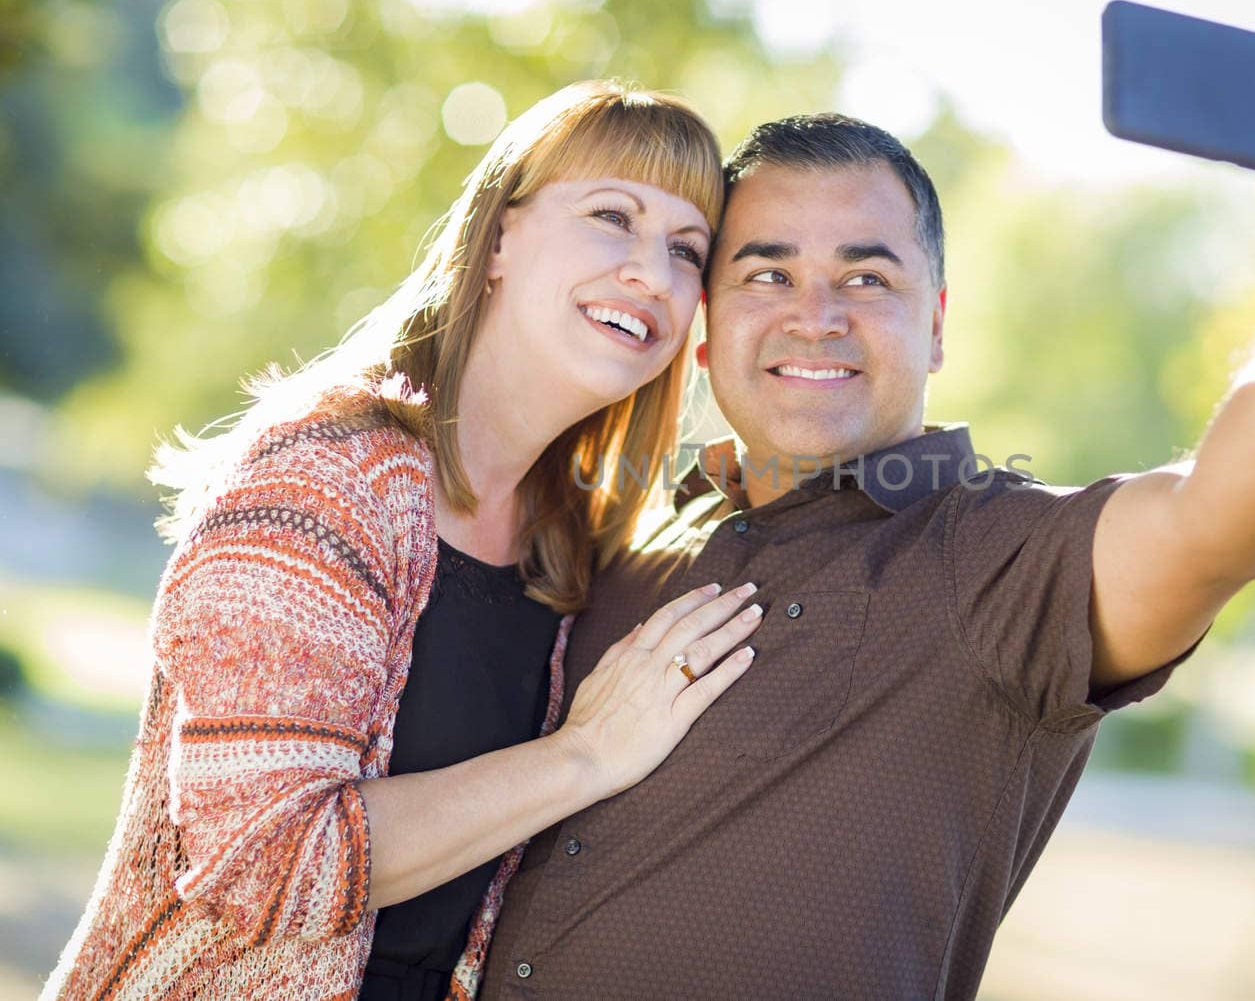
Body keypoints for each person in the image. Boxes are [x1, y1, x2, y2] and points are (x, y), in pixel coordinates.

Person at [480, 28, 1255, 998]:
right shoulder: (620, 535)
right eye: (766, 273)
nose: (816, 313)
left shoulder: (995, 561)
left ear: (934, 323)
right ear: (707, 328)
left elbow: (1209, 527)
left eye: (866, 277)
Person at [45, 81, 767, 1001]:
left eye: (686, 249)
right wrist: (583, 753)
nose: (651, 273)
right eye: (611, 216)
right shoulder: (321, 485)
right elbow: (261, 862)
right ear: (499, 236)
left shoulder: (567, 538)